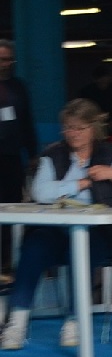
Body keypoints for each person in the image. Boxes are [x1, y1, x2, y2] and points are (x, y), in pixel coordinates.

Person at [0, 99, 112, 350]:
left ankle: (74, 319)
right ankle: (16, 322)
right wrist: (79, 184)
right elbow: (41, 192)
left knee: (82, 248)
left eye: (80, 128)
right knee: (34, 246)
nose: (73, 133)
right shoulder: (52, 156)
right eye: (69, 128)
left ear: (93, 128)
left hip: (98, 234)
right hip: (56, 231)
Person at [0, 39, 37, 275]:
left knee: (11, 208)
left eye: (8, 60)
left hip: (12, 158)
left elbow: (27, 121)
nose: (5, 64)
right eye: (1, 60)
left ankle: (7, 261)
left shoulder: (18, 87)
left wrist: (33, 154)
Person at [78, 64, 112, 136]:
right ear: (95, 80)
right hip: (95, 128)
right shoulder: (87, 92)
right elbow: (82, 113)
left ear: (110, 78)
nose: (103, 84)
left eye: (106, 81)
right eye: (100, 81)